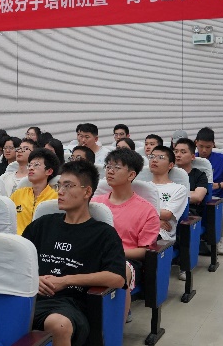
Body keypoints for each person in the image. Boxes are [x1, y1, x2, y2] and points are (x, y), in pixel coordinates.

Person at [23, 160, 126, 346]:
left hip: (71, 304)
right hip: (30, 295)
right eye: (59, 185)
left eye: (68, 186)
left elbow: (117, 278)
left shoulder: (104, 234)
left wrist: (65, 281)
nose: (60, 192)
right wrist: (33, 279)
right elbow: (18, 261)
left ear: (87, 192)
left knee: (59, 325)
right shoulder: (43, 224)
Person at [91, 149, 160, 322]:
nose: (110, 171)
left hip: (126, 260)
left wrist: (112, 253)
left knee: (119, 271)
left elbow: (144, 251)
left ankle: (116, 326)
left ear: (131, 175)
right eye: (108, 166)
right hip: (94, 255)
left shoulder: (147, 210)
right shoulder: (94, 204)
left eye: (116, 167)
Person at [195, 127, 223, 255]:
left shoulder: (221, 158)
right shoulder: (192, 158)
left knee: (222, 211)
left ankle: (218, 240)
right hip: (195, 196)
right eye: (201, 146)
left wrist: (218, 185)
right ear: (196, 143)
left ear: (213, 145)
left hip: (214, 198)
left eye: (208, 147)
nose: (204, 150)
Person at [11, 148, 60, 235]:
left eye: (36, 165)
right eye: (29, 165)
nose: (31, 168)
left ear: (49, 171)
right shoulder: (18, 194)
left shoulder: (56, 198)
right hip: (17, 240)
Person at [148, 146, 188, 242]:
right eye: (152, 157)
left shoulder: (179, 189)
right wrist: (155, 221)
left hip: (161, 234)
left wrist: (140, 212)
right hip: (139, 227)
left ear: (170, 165)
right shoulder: (141, 187)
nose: (154, 160)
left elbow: (166, 214)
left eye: (161, 157)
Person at [173, 138, 208, 216]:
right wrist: (190, 193)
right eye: (176, 151)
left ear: (192, 156)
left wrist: (170, 195)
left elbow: (197, 197)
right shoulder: (167, 173)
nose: (178, 155)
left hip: (190, 214)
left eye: (183, 152)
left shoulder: (200, 175)